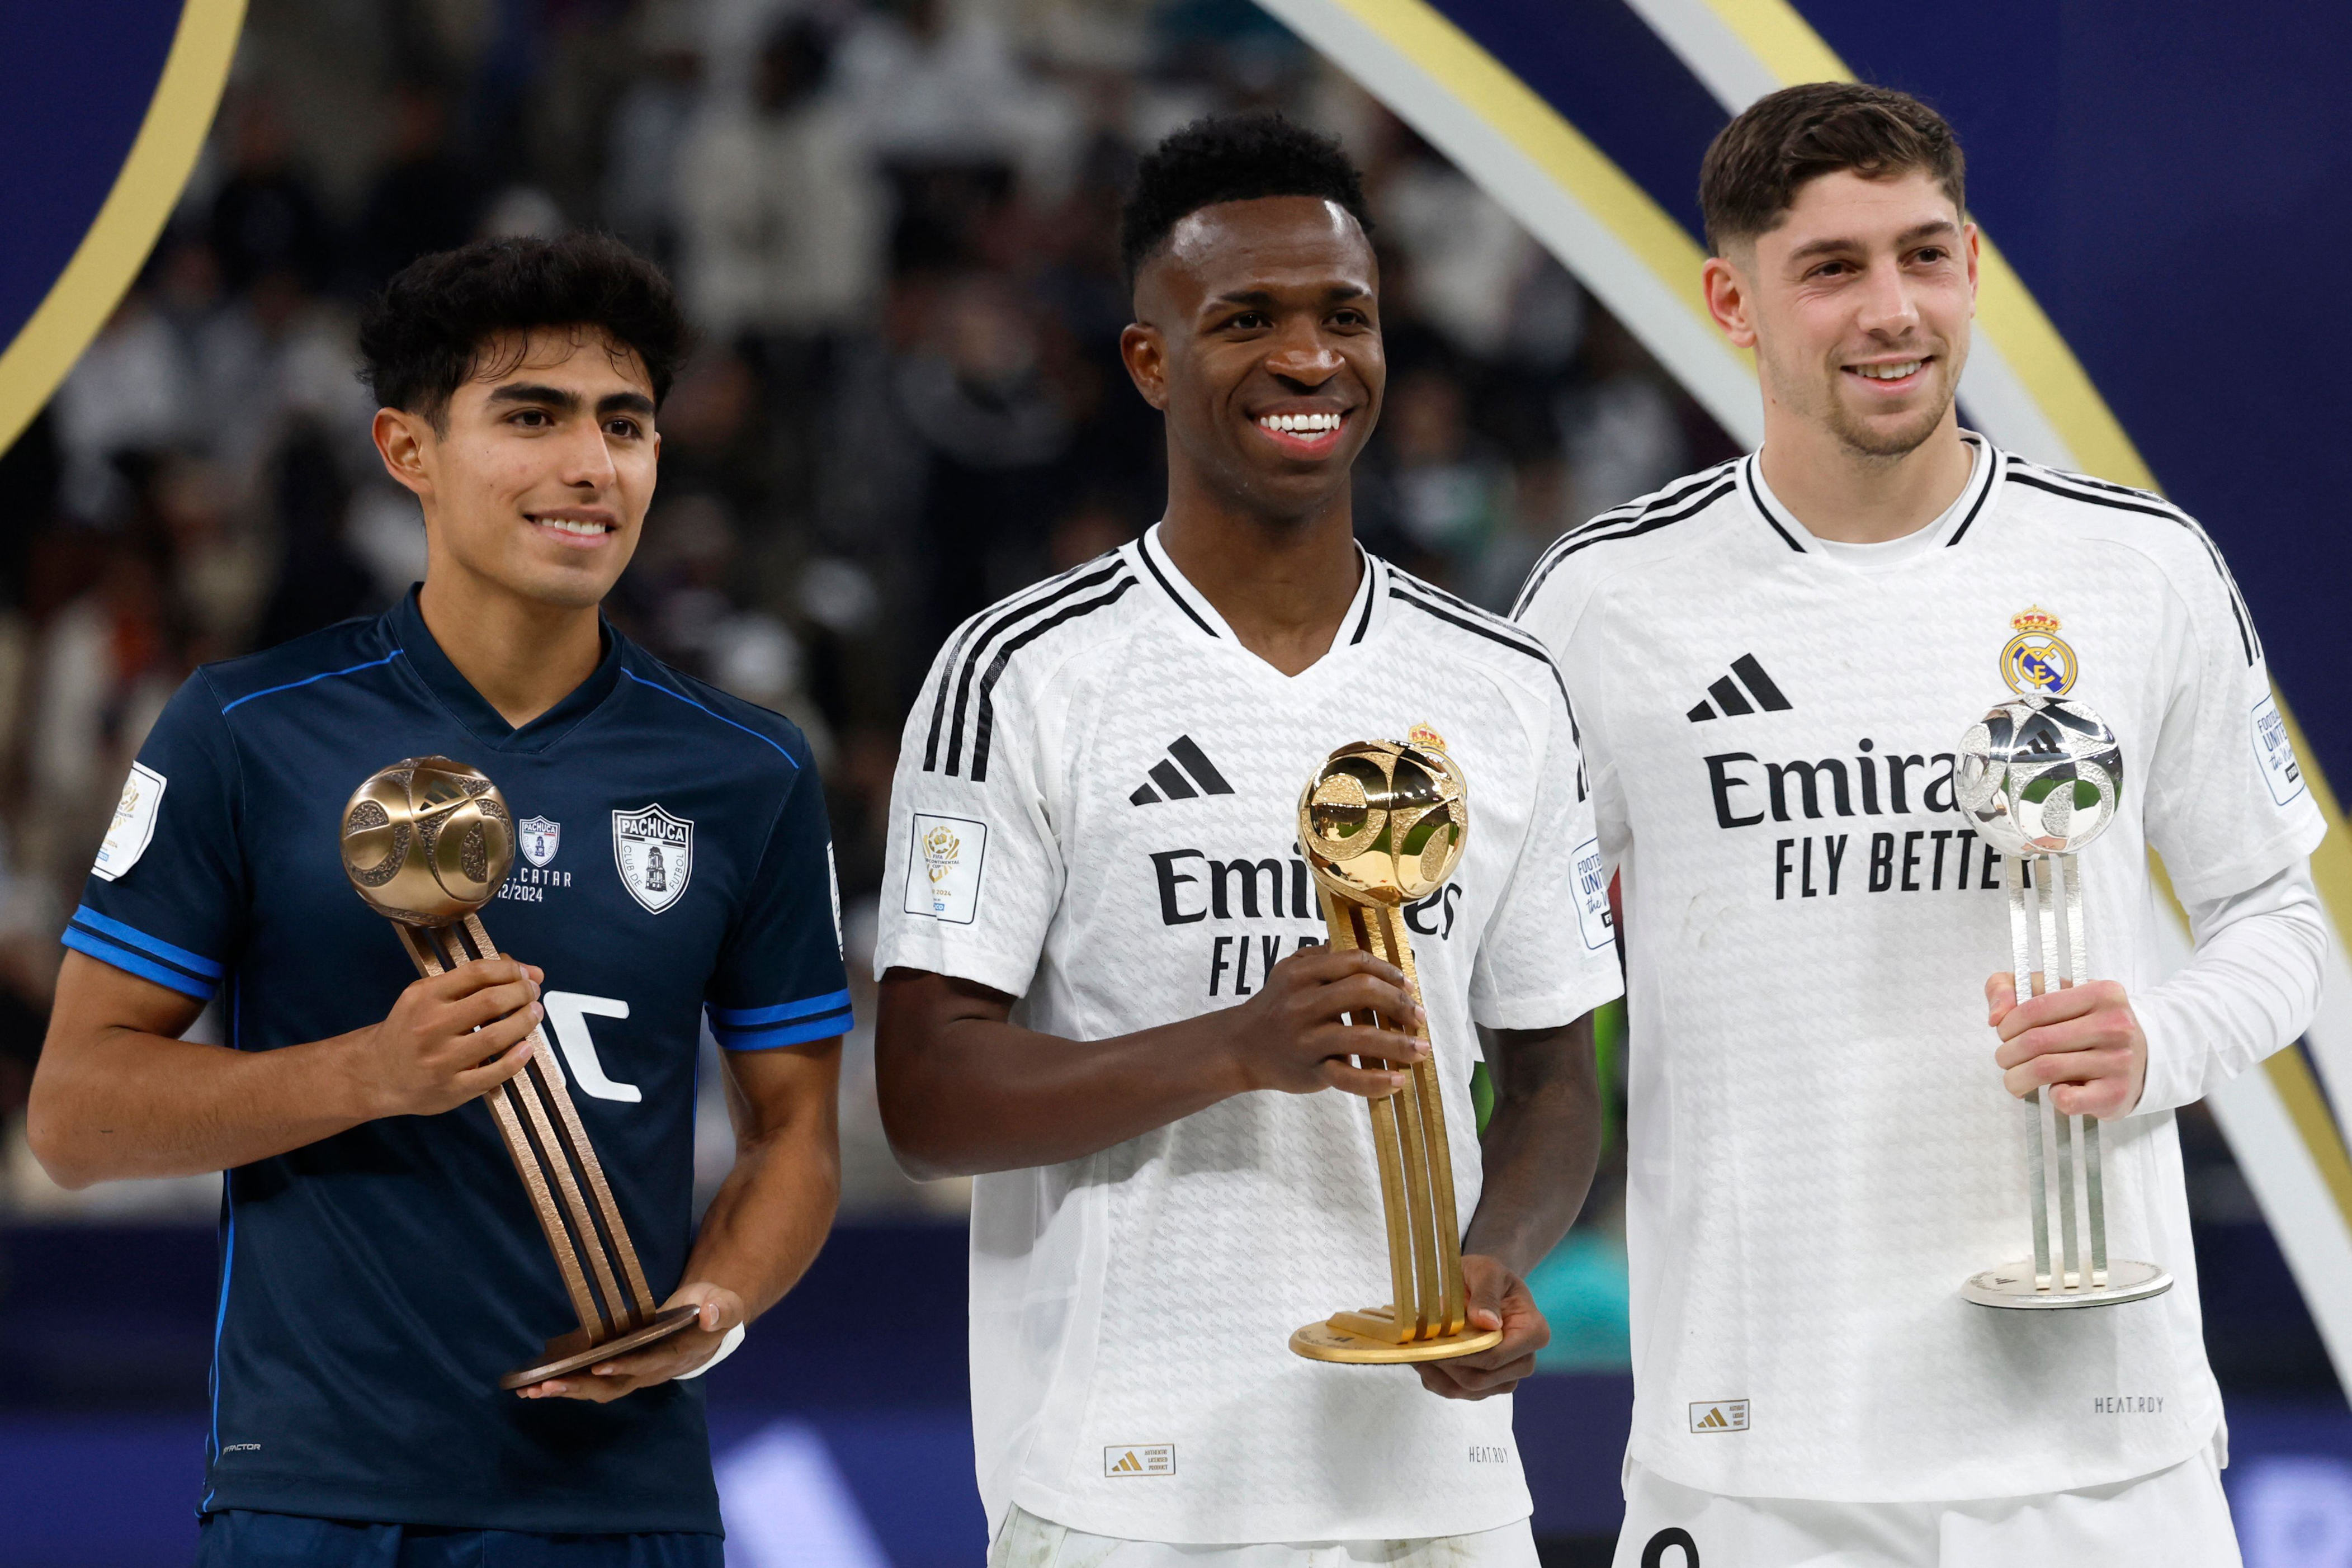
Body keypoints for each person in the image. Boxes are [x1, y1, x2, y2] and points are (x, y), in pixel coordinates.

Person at [1512, 83, 2327, 1566]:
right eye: (1830, 268)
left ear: (1969, 265)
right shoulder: (1601, 602)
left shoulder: (2135, 568)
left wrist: (2156, 1039)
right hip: (1754, 1456)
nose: (1890, 309)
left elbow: (2278, 925)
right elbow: (1502, 959)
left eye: (1923, 255)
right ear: (1731, 299)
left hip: (2099, 1453)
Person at [26, 233, 851, 1565]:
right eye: (532, 417)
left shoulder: (744, 768)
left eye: (625, 424)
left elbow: (795, 1129)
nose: (592, 465)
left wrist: (720, 1300)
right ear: (407, 450)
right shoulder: (244, 728)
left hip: (619, 1501)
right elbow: (74, 1117)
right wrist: (370, 1071)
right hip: (316, 1496)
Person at [872, 114, 1624, 1566]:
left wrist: (1492, 1265)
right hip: (1132, 1488)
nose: (1307, 357)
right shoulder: (1020, 669)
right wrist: (1236, 1045)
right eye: (1246, 320)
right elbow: (926, 1092)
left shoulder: (1501, 683)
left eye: (1344, 314)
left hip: (1441, 1488)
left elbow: (1547, 1079)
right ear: (1149, 359)